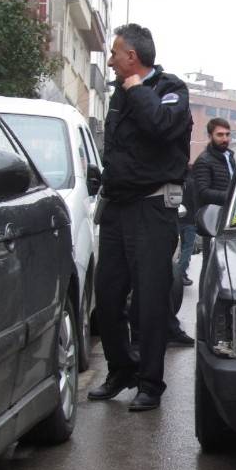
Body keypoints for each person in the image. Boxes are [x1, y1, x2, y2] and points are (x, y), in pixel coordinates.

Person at [88, 23, 192, 412]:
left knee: (148, 301)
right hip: (116, 206)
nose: (110, 60)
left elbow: (161, 127)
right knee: (108, 296)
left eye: (115, 53)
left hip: (152, 207)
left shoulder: (171, 90)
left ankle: (150, 382)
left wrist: (136, 88)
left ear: (131, 57)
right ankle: (121, 370)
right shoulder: (117, 93)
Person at [193, 117, 236, 270]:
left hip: (230, 218)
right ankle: (205, 295)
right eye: (220, 135)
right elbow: (203, 192)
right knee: (210, 265)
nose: (225, 138)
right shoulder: (204, 161)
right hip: (213, 221)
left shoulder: (229, 157)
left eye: (227, 134)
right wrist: (232, 197)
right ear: (210, 136)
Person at [176, 166, 198, 287]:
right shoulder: (193, 184)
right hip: (190, 220)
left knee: (180, 247)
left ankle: (180, 273)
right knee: (188, 248)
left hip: (177, 219)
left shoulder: (178, 183)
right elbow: (195, 201)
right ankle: (180, 272)